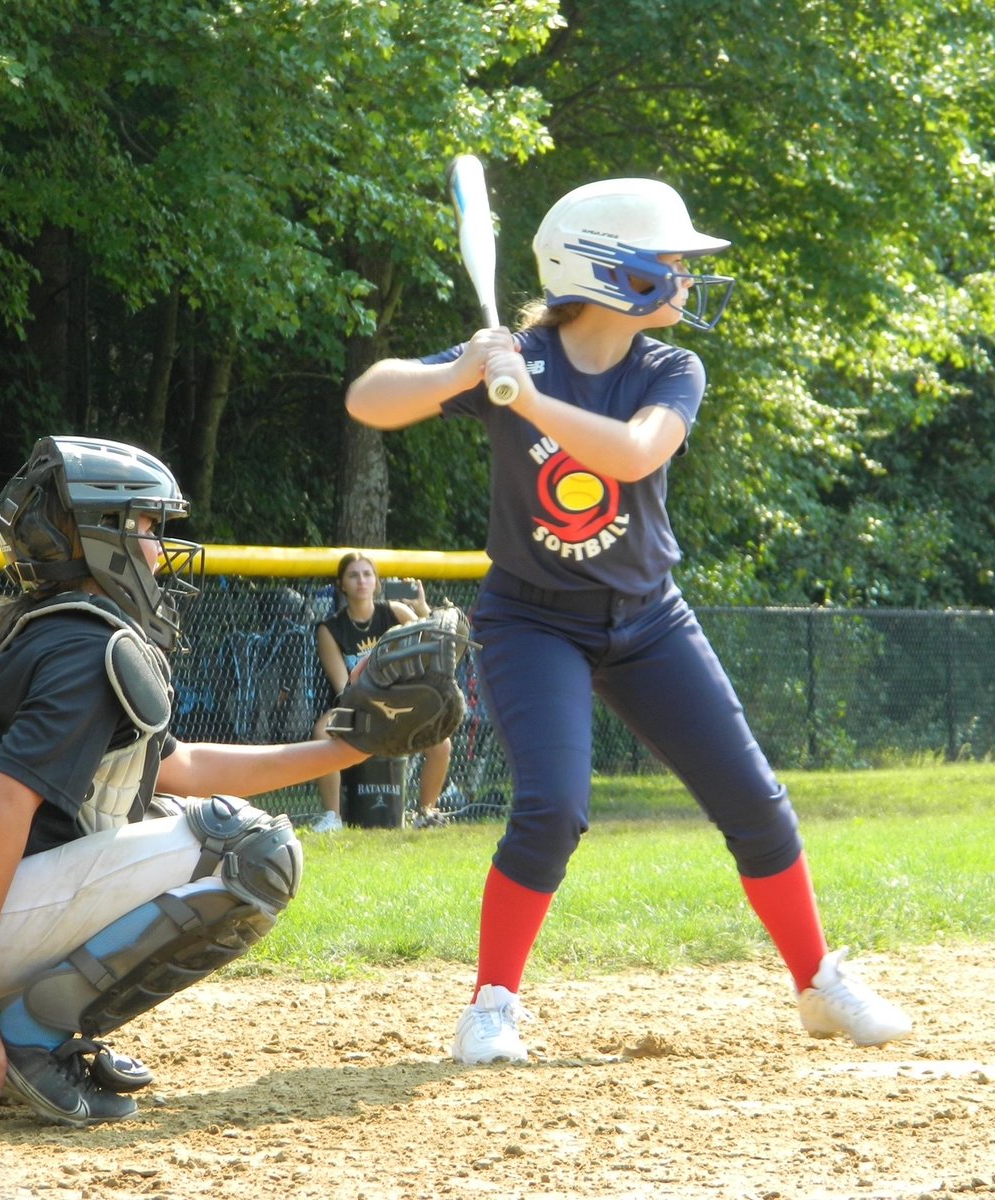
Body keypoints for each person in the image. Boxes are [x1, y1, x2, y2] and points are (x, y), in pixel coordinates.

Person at [345, 178, 913, 1063]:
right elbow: (369, 399)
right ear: (612, 272)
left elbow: (637, 451)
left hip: (649, 618)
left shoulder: (667, 369)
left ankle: (817, 983)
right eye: (671, 261)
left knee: (755, 802)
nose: (685, 277)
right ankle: (492, 1004)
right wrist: (465, 369)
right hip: (533, 623)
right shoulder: (520, 355)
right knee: (552, 808)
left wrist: (523, 400)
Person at [0, 434, 376, 1127]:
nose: (158, 547)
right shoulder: (87, 646)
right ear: (95, 536)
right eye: (143, 525)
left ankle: (7, 1017)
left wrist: (349, 749)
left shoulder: (53, 629)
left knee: (181, 811)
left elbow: (184, 767)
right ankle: (25, 1035)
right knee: (252, 852)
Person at [308, 551, 452, 831]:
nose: (361, 581)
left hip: (401, 702)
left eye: (367, 574)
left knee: (441, 742)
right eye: (353, 575)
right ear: (341, 585)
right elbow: (343, 687)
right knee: (322, 730)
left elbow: (438, 641)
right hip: (357, 704)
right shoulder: (331, 629)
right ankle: (332, 817)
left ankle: (425, 812)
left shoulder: (396, 612)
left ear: (377, 581)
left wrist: (421, 608)